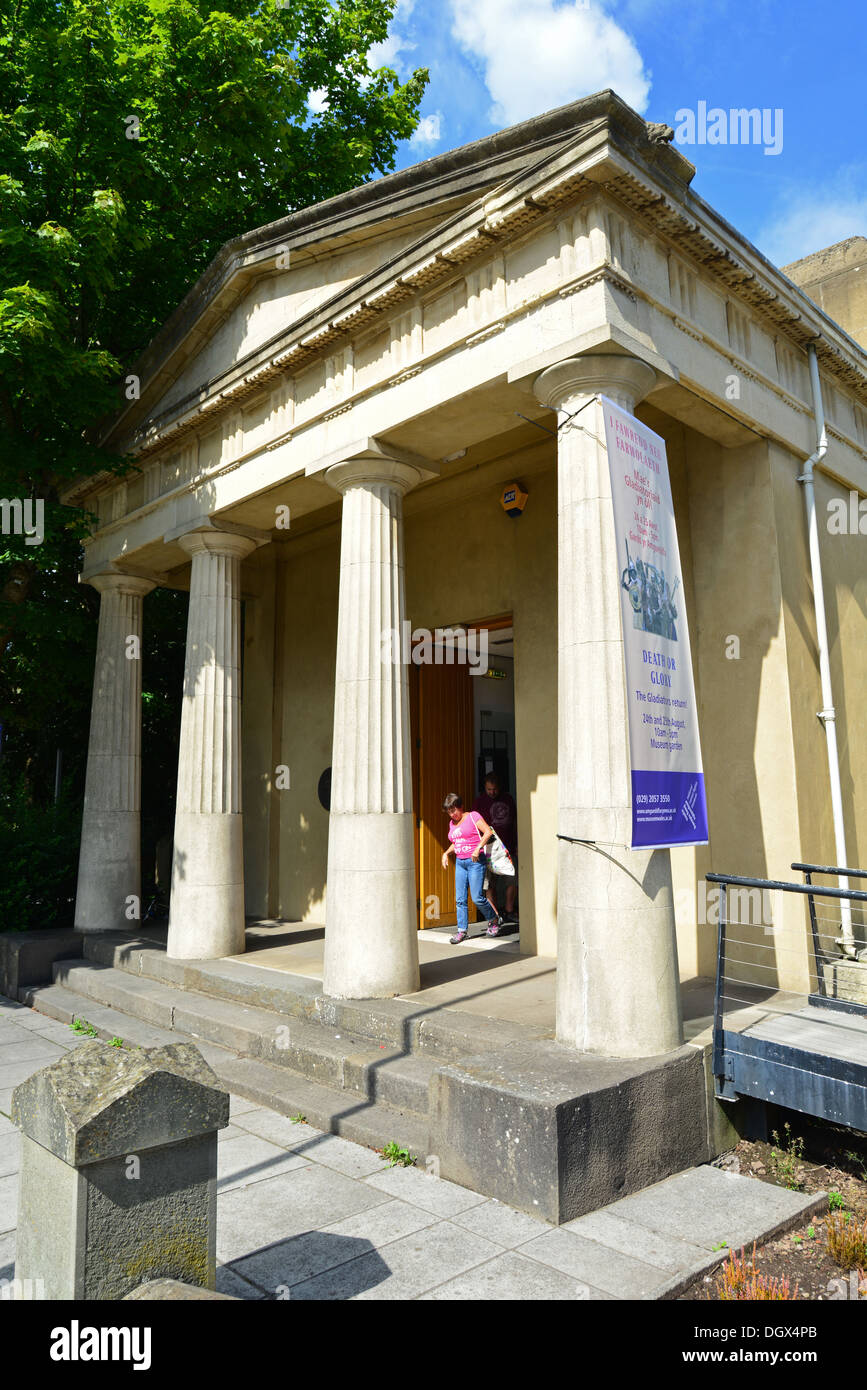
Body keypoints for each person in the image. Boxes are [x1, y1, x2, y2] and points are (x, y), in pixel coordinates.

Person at [441, 792, 502, 944]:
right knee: (460, 899)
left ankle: (494, 919)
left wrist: (477, 848)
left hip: (475, 861)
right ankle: (462, 931)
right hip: (461, 863)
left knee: (477, 897)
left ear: (461, 807)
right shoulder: (452, 823)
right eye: (449, 811)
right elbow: (457, 841)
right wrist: (446, 853)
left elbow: (488, 832)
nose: (452, 814)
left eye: (454, 810)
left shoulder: (473, 816)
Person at [473, 773, 518, 924]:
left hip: (508, 848)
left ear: (499, 787)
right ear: (484, 788)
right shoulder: (479, 802)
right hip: (488, 849)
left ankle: (509, 911)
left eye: (494, 789)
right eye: (489, 789)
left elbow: (515, 822)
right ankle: (495, 915)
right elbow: (475, 826)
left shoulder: (508, 799)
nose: (492, 792)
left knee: (512, 880)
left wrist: (516, 843)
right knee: (490, 884)